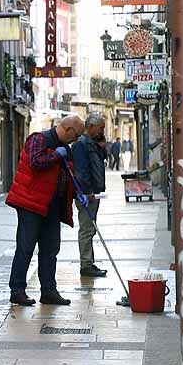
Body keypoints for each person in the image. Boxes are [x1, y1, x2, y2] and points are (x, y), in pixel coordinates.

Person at [4, 114, 85, 306]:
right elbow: (36, 162)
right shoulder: (39, 139)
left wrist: (78, 193)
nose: (75, 141)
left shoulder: (66, 148)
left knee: (50, 250)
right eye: (75, 136)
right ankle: (17, 290)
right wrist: (56, 155)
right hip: (31, 205)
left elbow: (67, 175)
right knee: (25, 248)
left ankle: (48, 291)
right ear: (67, 129)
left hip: (52, 207)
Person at [72, 114, 109, 278]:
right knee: (87, 228)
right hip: (88, 194)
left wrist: (102, 147)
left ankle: (89, 262)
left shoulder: (92, 144)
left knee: (90, 228)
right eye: (101, 128)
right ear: (91, 126)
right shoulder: (81, 144)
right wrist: (87, 192)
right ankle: (86, 264)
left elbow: (100, 163)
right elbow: (81, 170)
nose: (102, 131)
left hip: (94, 192)